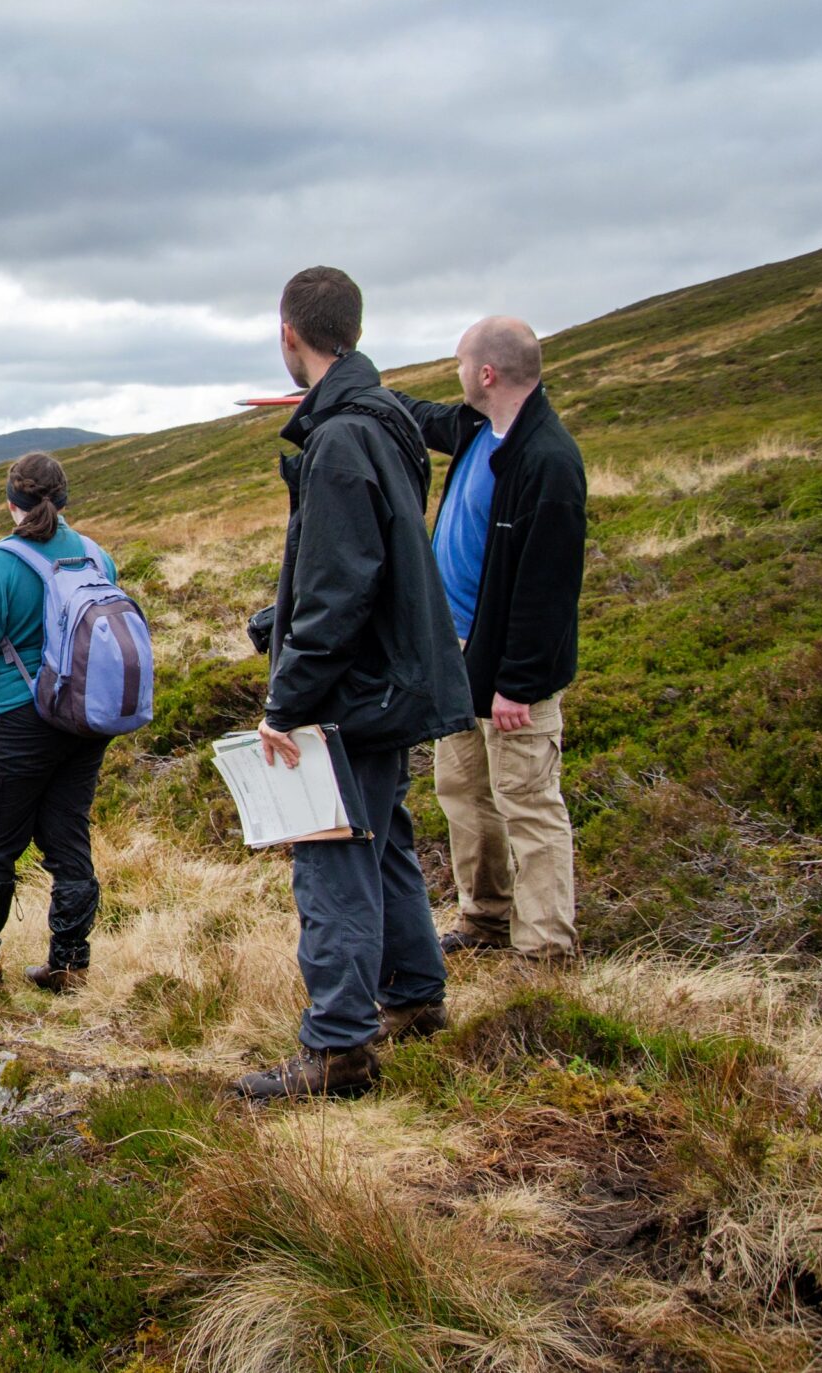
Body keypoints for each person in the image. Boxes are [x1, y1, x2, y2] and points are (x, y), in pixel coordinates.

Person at [235, 267, 473, 1101]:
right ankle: (414, 996)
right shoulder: (387, 420)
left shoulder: (341, 439)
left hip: (355, 693)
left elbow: (338, 594)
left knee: (332, 851)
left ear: (289, 335)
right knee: (387, 838)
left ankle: (337, 1048)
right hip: (392, 681)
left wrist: (285, 704)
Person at [398, 317, 588, 962]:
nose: (454, 375)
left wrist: (520, 684)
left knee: (528, 806)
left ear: (486, 374)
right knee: (464, 795)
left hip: (510, 679)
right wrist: (348, 386)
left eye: (459, 364)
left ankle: (545, 950)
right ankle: (485, 920)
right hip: (457, 658)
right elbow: (422, 415)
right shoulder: (479, 429)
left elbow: (549, 590)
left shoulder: (548, 461)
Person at [0, 452, 113, 992]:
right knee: (68, 839)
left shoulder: (0, 563)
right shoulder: (96, 556)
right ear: (63, 500)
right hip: (84, 722)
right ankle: (70, 965)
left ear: (11, 503)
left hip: (17, 721)